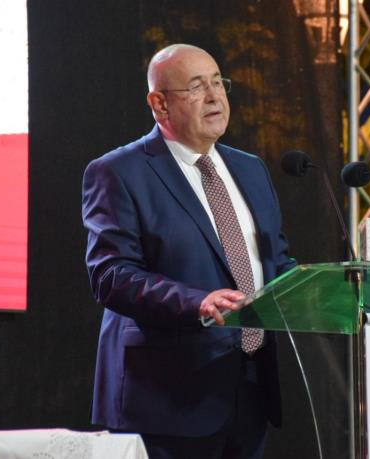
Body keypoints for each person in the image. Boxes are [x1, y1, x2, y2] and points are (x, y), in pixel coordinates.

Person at [81, 43, 296, 459]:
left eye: (218, 83)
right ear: (159, 104)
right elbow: (111, 275)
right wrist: (197, 302)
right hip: (166, 397)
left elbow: (276, 262)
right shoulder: (119, 172)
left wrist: (323, 287)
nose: (215, 97)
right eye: (197, 87)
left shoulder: (251, 168)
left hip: (250, 390)